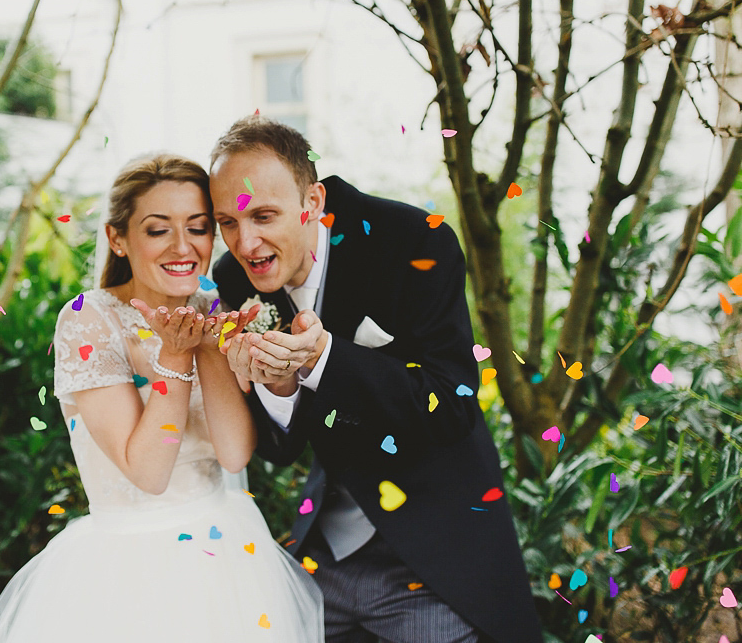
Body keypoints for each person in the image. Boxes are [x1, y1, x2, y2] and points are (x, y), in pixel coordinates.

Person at [207, 116, 543, 643]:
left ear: (313, 202)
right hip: (325, 560)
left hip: (435, 555)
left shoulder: (411, 242)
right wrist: (279, 387)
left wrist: (326, 361)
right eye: (227, 222)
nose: (245, 243)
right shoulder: (232, 281)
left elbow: (454, 404)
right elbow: (278, 448)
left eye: (264, 216)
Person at [0, 153, 324, 643]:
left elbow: (233, 453)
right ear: (118, 238)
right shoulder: (87, 319)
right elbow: (148, 472)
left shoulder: (209, 305)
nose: (183, 247)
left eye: (199, 227)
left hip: (227, 551)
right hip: (130, 567)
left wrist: (208, 343)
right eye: (158, 230)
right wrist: (177, 356)